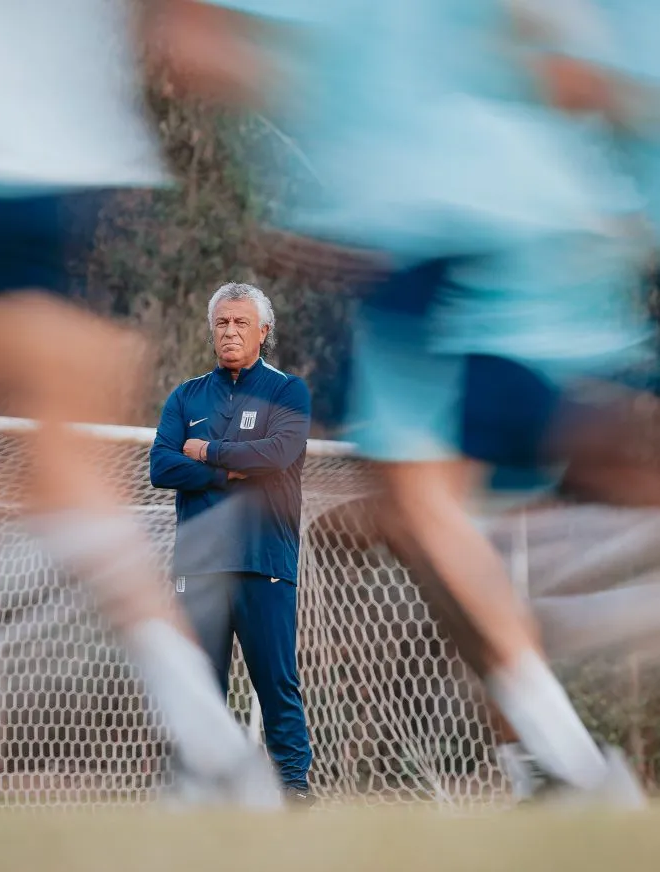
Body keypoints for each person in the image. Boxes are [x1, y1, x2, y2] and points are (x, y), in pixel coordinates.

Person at [185, 0, 658, 804]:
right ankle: (545, 762)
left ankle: (571, 764)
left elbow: (206, 47)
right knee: (430, 516)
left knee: (423, 507)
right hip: (538, 239)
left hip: (434, 229)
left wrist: (322, 153)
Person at [0, 0, 282, 807]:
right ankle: (215, 750)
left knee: (64, 482)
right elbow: (193, 45)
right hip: (83, 182)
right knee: (71, 479)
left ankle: (55, 510)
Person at [150, 282, 314, 800]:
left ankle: (294, 789)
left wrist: (207, 450)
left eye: (242, 322)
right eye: (222, 322)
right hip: (199, 565)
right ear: (211, 329)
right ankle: (198, 790)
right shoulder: (186, 396)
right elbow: (161, 465)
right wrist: (226, 472)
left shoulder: (288, 391)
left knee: (277, 685)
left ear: (263, 331)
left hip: (265, 558)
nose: (230, 331)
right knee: (198, 688)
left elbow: (277, 455)